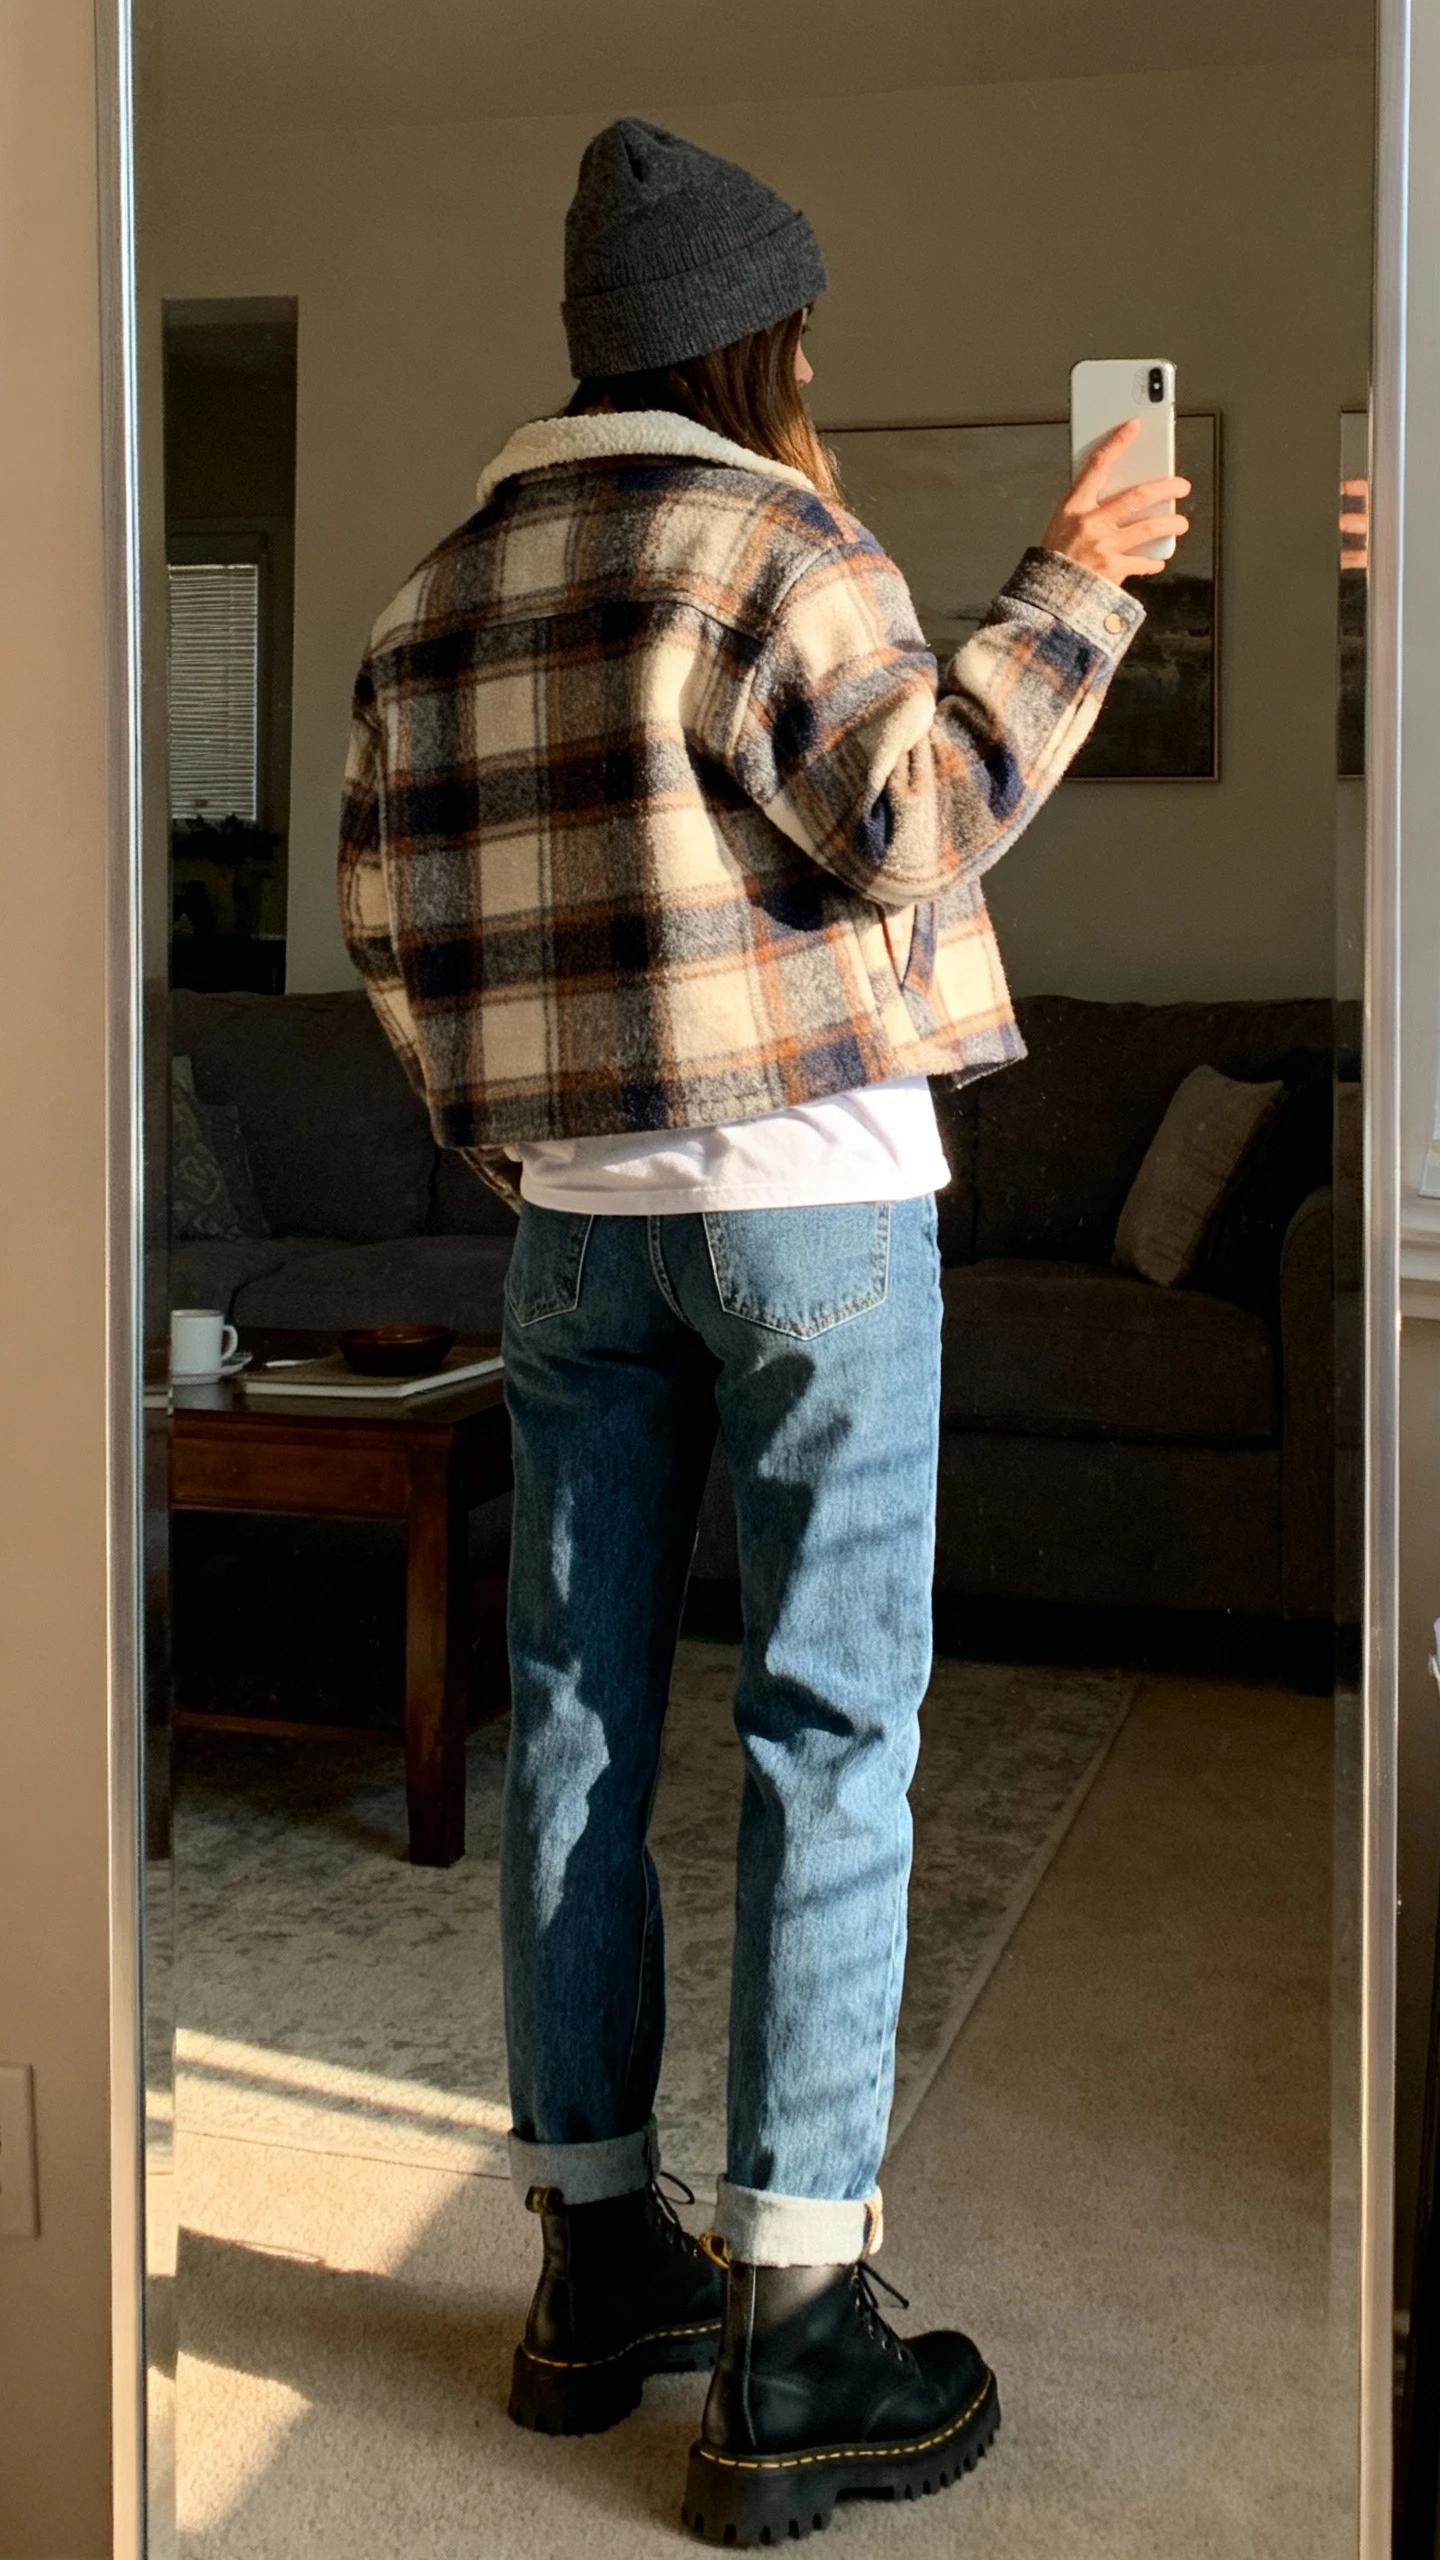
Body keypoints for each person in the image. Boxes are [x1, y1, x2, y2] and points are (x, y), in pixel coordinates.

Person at [339, 117, 1188, 2547]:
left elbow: (390, 927)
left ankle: (593, 2258)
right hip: (817, 1209)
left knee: (585, 1722)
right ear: (761, 337)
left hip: (576, 1232)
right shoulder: (767, 537)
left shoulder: (438, 586)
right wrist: (1077, 586)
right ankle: (797, 2332)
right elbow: (913, 820)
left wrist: (520, 1149)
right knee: (828, 1729)